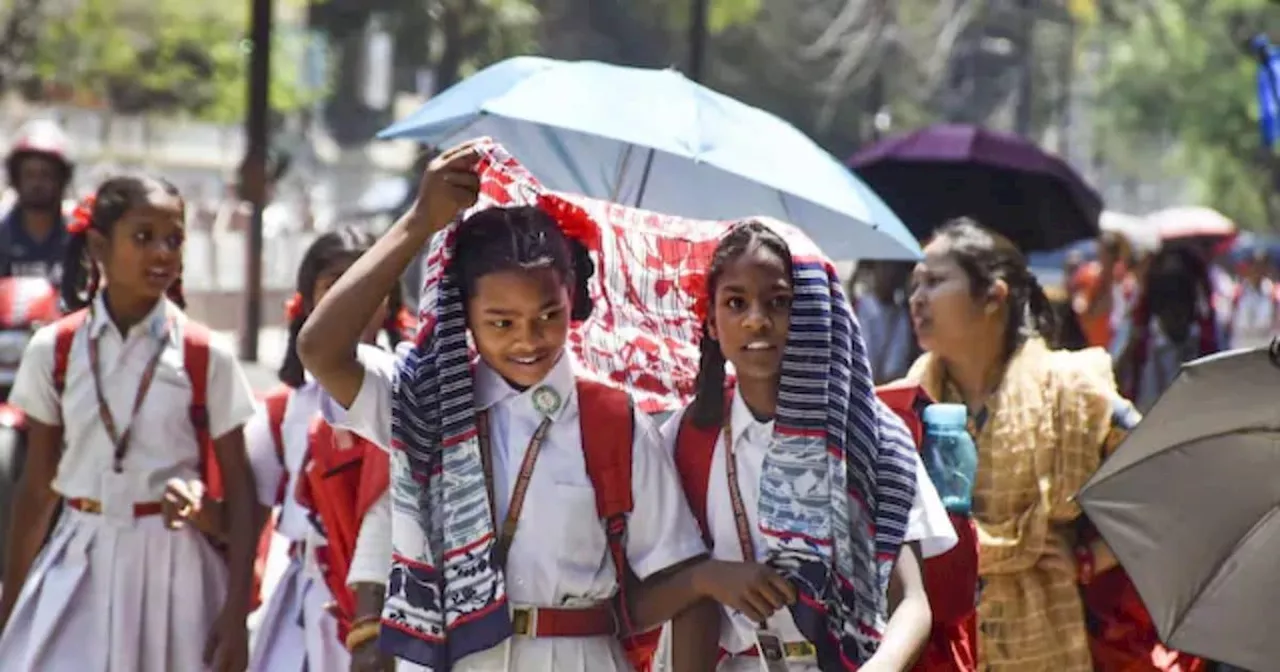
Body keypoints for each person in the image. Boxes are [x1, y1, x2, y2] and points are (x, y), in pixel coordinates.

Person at [298, 140, 773, 671]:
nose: (528, 339)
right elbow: (320, 350)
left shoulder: (613, 421)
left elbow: (671, 575)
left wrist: (702, 578)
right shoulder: (426, 403)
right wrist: (416, 224)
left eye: (547, 315)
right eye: (501, 322)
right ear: (466, 314)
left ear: (572, 299)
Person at [903, 217, 1201, 671]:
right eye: (915, 285)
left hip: (1048, 638)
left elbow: (1169, 482)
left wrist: (1091, 558)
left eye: (936, 282)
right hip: (947, 646)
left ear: (993, 296)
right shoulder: (909, 400)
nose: (917, 299)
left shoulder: (1072, 390)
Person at [663, 220, 953, 671]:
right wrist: (710, 579)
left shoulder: (872, 436)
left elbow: (912, 603)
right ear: (712, 322)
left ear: (815, 312)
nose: (756, 319)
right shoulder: (686, 439)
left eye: (779, 302)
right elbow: (659, 588)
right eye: (735, 302)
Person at [0, 175, 259, 671]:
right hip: (81, 558)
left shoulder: (208, 355)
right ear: (99, 245)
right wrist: (12, 605)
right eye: (143, 237)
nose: (162, 253)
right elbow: (36, 490)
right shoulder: (54, 350)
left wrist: (234, 614)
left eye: (174, 239)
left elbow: (244, 494)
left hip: (176, 570)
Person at [0, 119, 75, 282]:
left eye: (46, 174)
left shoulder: (79, 239)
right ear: (15, 178)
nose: (37, 183)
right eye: (29, 174)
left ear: (62, 179)